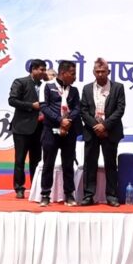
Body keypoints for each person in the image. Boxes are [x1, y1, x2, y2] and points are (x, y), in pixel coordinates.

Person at [80, 58, 126, 207]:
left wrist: (105, 126)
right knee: (90, 164)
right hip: (91, 132)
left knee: (110, 165)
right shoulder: (87, 88)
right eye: (97, 71)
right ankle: (88, 195)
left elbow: (120, 109)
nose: (100, 74)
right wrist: (96, 126)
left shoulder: (118, 87)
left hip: (110, 132)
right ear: (93, 72)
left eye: (103, 71)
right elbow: (83, 110)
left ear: (108, 72)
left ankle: (111, 196)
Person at [39, 60, 81, 207]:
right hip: (51, 130)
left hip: (69, 130)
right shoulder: (47, 86)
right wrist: (59, 120)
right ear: (63, 73)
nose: (75, 77)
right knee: (48, 163)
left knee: (68, 164)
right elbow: (44, 107)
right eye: (72, 74)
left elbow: (77, 108)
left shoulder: (74, 90)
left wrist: (68, 120)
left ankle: (69, 195)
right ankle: (45, 194)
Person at [8, 59, 47, 199]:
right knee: (20, 160)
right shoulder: (20, 82)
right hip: (22, 128)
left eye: (44, 70)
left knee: (36, 160)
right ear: (33, 69)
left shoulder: (44, 86)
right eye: (41, 70)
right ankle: (19, 188)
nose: (44, 72)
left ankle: (36, 188)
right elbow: (12, 100)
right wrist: (31, 105)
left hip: (39, 128)